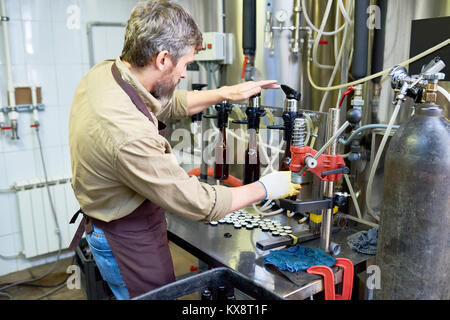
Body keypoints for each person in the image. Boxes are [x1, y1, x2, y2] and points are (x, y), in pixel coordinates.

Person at [68, 0, 300, 300]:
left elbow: (165, 102)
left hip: (113, 223)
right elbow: (198, 203)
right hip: (127, 240)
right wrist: (267, 187)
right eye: (186, 64)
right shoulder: (127, 133)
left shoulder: (109, 73)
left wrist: (226, 93)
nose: (184, 75)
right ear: (163, 59)